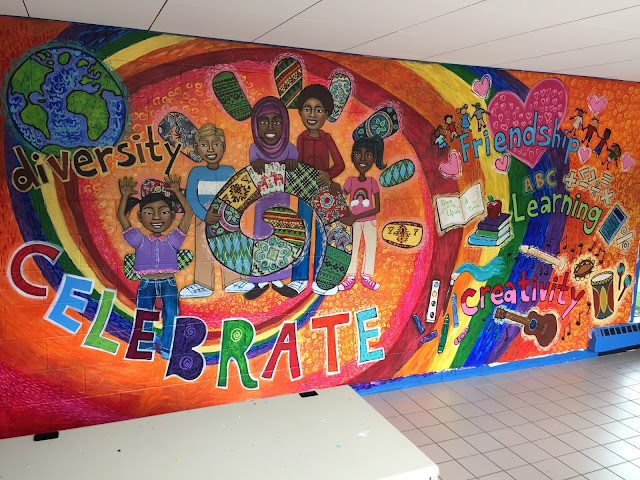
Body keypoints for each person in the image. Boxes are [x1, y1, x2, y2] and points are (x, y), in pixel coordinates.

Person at [117, 175, 193, 359]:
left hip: (168, 282)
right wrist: (125, 196)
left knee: (171, 316)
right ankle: (144, 347)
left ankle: (167, 349)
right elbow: (121, 217)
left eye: (163, 212)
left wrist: (177, 192)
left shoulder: (173, 240)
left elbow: (189, 213)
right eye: (149, 213)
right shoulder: (138, 240)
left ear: (172, 216)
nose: (157, 217)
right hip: (146, 283)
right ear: (140, 217)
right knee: (144, 314)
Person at [181, 123, 253, 298]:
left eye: (216, 144)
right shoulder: (196, 173)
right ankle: (203, 284)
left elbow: (237, 194)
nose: (211, 149)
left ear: (224, 147)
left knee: (229, 246)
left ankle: (233, 281)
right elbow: (191, 198)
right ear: (197, 148)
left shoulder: (229, 171)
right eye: (204, 144)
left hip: (227, 218)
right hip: (203, 218)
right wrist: (204, 216)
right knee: (203, 249)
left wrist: (234, 215)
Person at [290, 84, 346, 297]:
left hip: (324, 195)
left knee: (324, 234)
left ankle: (321, 279)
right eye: (307, 109)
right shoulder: (301, 138)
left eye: (318, 109)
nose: (312, 114)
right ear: (301, 112)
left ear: (326, 114)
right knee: (303, 232)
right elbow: (300, 164)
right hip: (304, 192)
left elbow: (340, 164)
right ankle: (299, 278)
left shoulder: (327, 138)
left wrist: (328, 175)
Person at [244, 96, 299, 300]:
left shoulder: (290, 148)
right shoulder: (255, 149)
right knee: (261, 239)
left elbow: (295, 169)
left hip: (283, 204)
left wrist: (290, 164)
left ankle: (278, 280)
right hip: (262, 206)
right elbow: (253, 169)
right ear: (255, 125)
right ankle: (260, 281)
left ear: (284, 125)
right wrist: (258, 165)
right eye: (263, 121)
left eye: (276, 121)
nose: (270, 126)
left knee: (282, 240)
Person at [338, 136, 385, 291]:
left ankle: (366, 277)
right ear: (352, 156)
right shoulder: (350, 181)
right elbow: (341, 200)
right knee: (352, 247)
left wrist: (354, 217)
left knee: (370, 247)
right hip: (353, 221)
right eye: (358, 153)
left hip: (369, 221)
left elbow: (377, 208)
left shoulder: (372, 182)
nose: (363, 159)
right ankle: (350, 277)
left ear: (374, 159)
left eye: (368, 155)